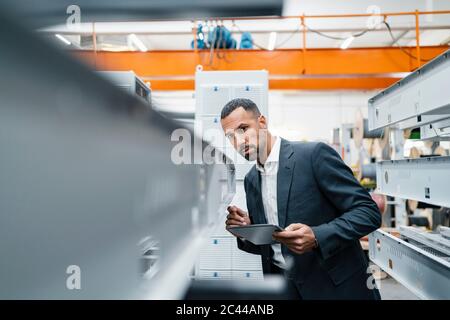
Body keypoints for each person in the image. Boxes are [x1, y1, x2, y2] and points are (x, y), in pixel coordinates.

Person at [220, 98, 381, 300]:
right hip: (286, 290)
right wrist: (247, 230)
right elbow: (272, 245)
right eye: (230, 136)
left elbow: (368, 212)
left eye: (243, 129)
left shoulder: (313, 156)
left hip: (335, 288)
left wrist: (316, 236)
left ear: (262, 122)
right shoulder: (252, 180)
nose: (239, 141)